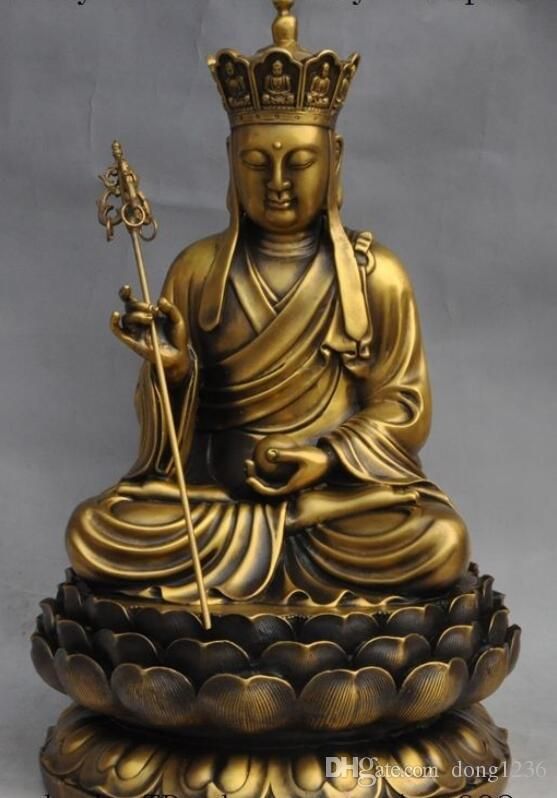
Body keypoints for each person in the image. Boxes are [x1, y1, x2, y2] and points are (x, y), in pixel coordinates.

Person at [67, 2, 469, 606]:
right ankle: (278, 555)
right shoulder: (197, 270)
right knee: (95, 531)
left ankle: (283, 543)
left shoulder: (376, 275)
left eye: (299, 162)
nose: (277, 181)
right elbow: (171, 447)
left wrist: (325, 457)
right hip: (221, 503)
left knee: (440, 541)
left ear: (335, 159)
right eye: (256, 163)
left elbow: (404, 407)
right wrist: (173, 373)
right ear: (231, 162)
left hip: (332, 503)